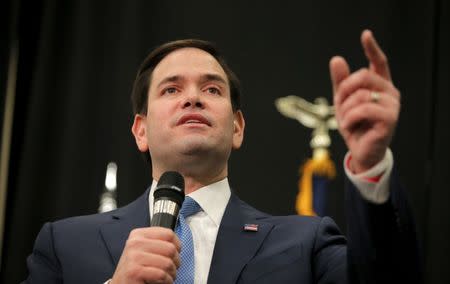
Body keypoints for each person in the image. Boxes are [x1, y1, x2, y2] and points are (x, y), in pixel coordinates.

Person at [23, 30, 422, 284]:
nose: (193, 96)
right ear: (140, 131)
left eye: (212, 90)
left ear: (237, 128)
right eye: (171, 90)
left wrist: (371, 165)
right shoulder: (65, 244)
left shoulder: (305, 243)